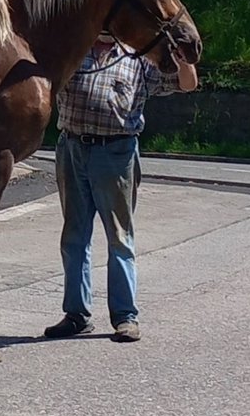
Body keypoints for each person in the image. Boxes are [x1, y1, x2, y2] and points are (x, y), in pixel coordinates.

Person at [43, 30, 199, 342]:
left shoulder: (138, 56)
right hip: (72, 148)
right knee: (74, 236)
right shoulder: (73, 48)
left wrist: (183, 59)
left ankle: (126, 317)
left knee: (119, 238)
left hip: (115, 152)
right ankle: (76, 315)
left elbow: (186, 84)